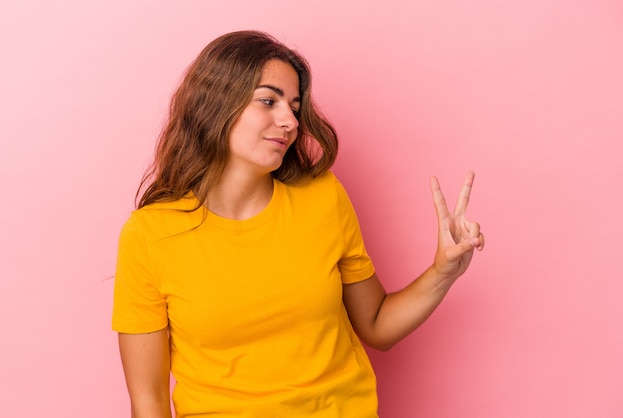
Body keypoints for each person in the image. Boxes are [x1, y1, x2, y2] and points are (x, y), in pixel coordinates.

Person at [112, 30, 484, 418]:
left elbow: (376, 325)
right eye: (268, 101)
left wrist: (444, 271)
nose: (289, 121)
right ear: (215, 104)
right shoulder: (150, 235)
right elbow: (148, 403)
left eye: (293, 106)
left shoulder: (322, 197)